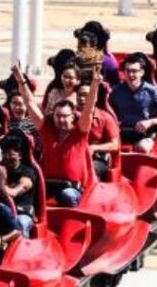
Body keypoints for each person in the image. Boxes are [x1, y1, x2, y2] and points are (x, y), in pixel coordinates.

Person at [14, 61, 101, 207]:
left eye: (64, 116)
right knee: (25, 194)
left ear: (72, 117)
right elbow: (29, 103)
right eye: (58, 116)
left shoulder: (80, 131)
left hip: (72, 188)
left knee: (66, 196)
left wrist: (95, 84)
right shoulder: (47, 128)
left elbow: (89, 108)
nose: (61, 119)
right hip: (48, 184)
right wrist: (21, 82)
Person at [108, 52, 157, 152]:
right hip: (121, 131)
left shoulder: (152, 91)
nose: (131, 74)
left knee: (143, 148)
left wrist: (150, 122)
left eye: (134, 71)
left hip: (143, 134)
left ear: (142, 72)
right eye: (127, 71)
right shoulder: (115, 91)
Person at [78, 80, 120, 179]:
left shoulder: (105, 117)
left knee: (89, 171)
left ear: (94, 97)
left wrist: (93, 148)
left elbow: (115, 145)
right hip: (76, 155)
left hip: (98, 158)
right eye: (79, 95)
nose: (81, 98)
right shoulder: (72, 116)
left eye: (85, 95)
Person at [0, 133, 38, 237]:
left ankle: (24, 249)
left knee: (20, 223)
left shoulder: (27, 172)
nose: (7, 157)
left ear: (20, 155)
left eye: (11, 155)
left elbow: (16, 191)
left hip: (22, 213)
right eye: (5, 154)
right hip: (2, 212)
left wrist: (1, 183)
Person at [6, 89, 42, 157]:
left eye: (20, 104)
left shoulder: (34, 123)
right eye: (14, 103)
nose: (17, 107)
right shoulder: (6, 123)